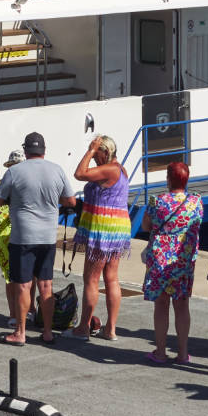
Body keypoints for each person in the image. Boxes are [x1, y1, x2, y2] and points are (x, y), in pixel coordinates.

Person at [0, 132, 77, 345]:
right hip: (47, 237)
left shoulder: (15, 171)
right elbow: (71, 201)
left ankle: (20, 333)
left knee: (22, 285)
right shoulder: (57, 170)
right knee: (46, 285)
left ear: (26, 151)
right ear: (44, 150)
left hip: (22, 237)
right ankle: (47, 332)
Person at [141, 161, 204, 365]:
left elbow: (145, 226)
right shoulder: (196, 201)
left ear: (169, 179)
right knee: (182, 305)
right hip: (183, 260)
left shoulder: (155, 201)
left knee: (161, 305)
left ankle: (160, 351)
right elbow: (197, 224)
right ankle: (183, 353)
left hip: (160, 259)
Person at [72, 135, 132, 340]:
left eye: (97, 155)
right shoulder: (120, 169)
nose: (95, 159)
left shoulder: (110, 169)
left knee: (91, 278)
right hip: (118, 227)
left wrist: (89, 150)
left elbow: (80, 174)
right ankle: (110, 330)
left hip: (103, 228)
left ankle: (83, 328)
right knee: (111, 278)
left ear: (106, 153)